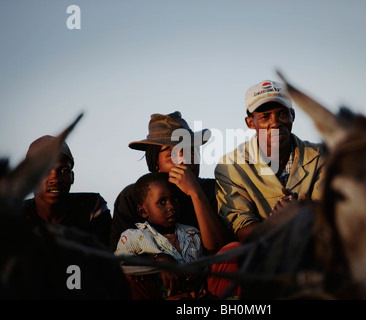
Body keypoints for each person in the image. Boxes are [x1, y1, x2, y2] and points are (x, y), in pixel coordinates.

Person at [215, 80, 325, 242]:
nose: (275, 122)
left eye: (282, 114)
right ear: (250, 122)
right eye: (265, 117)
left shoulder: (320, 156)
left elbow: (331, 213)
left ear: (292, 115)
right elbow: (241, 229)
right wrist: (277, 223)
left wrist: (301, 212)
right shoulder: (231, 165)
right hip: (262, 256)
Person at [110, 111, 231, 253]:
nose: (183, 160)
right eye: (171, 154)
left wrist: (196, 193)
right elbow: (121, 256)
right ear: (156, 165)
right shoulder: (133, 197)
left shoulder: (215, 190)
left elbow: (220, 249)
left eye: (190, 150)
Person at [115, 172, 207, 299]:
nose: (171, 207)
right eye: (162, 202)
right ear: (143, 211)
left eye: (174, 200)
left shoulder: (192, 234)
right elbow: (120, 263)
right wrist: (156, 259)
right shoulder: (134, 237)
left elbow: (205, 264)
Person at [22, 135, 112, 247]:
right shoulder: (15, 215)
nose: (55, 179)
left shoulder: (92, 208)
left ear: (72, 177)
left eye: (64, 171)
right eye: (45, 171)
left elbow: (102, 258)